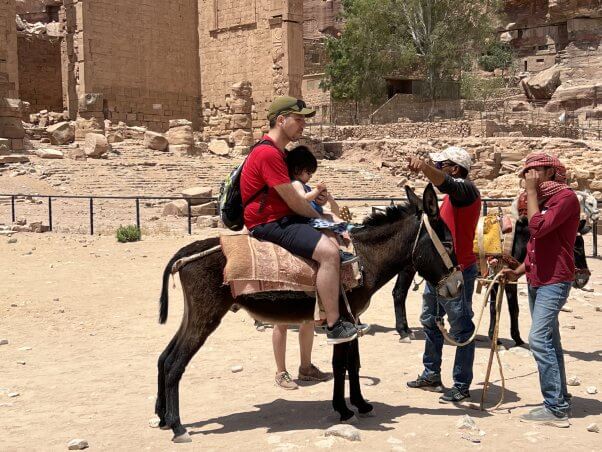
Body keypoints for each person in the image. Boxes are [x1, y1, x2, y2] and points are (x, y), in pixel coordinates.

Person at [240, 96, 358, 345]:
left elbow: (294, 197)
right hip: (269, 223)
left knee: (334, 231)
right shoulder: (269, 154)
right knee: (328, 253)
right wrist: (319, 218)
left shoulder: (278, 153)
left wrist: (320, 209)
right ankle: (334, 325)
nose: (304, 124)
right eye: (299, 118)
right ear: (281, 120)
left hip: (280, 217)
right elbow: (294, 201)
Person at [502, 153, 579, 428]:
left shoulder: (565, 198)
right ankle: (561, 397)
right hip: (537, 278)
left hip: (554, 281)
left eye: (535, 171)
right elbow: (536, 247)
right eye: (527, 172)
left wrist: (532, 192)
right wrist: (518, 271)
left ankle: (555, 408)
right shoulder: (543, 201)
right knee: (551, 341)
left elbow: (538, 228)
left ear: (550, 172)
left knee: (538, 340)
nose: (529, 176)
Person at [405, 146, 481, 403]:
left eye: (441, 165)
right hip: (439, 271)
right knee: (431, 320)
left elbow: (446, 183)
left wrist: (424, 168)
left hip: (455, 273)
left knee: (460, 328)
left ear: (455, 169)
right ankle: (431, 373)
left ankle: (461, 384)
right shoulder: (451, 197)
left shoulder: (466, 191)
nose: (437, 169)